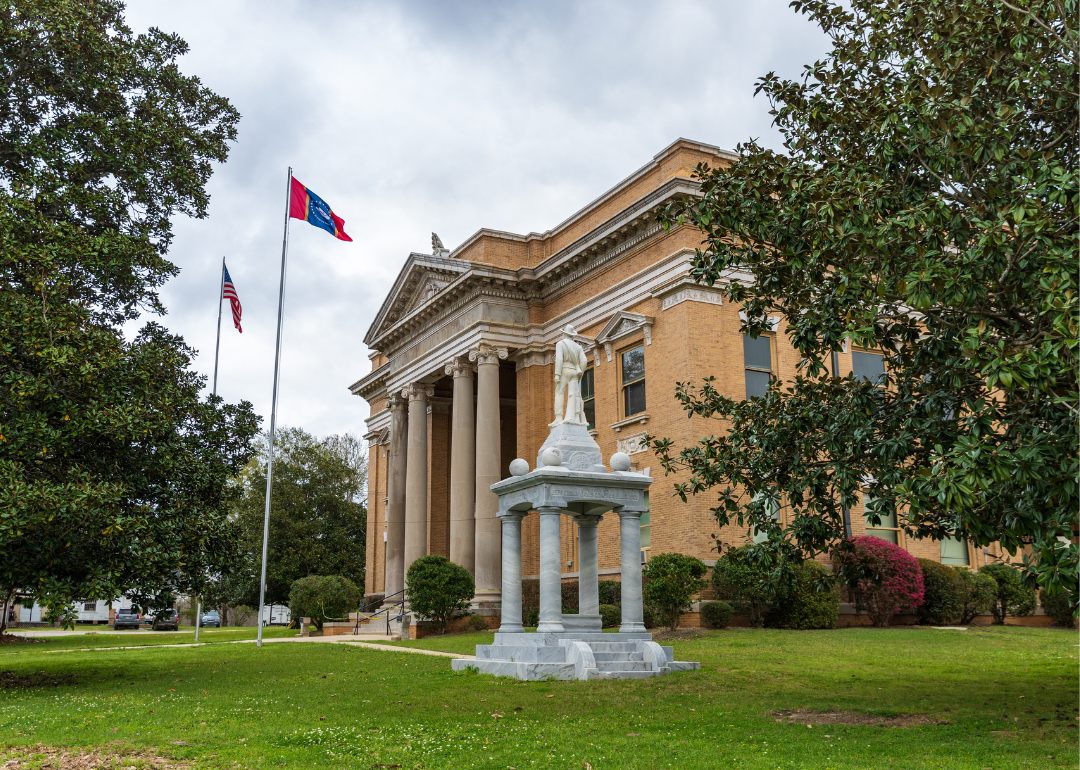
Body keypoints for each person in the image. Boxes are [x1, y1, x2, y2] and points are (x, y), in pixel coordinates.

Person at [551, 324, 588, 427]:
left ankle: (558, 418)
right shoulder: (578, 347)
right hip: (575, 372)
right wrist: (580, 373)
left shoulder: (560, 344)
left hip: (564, 370)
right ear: (572, 335)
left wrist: (557, 374)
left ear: (564, 334)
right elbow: (584, 361)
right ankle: (575, 417)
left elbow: (559, 359)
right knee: (574, 395)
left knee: (559, 393)